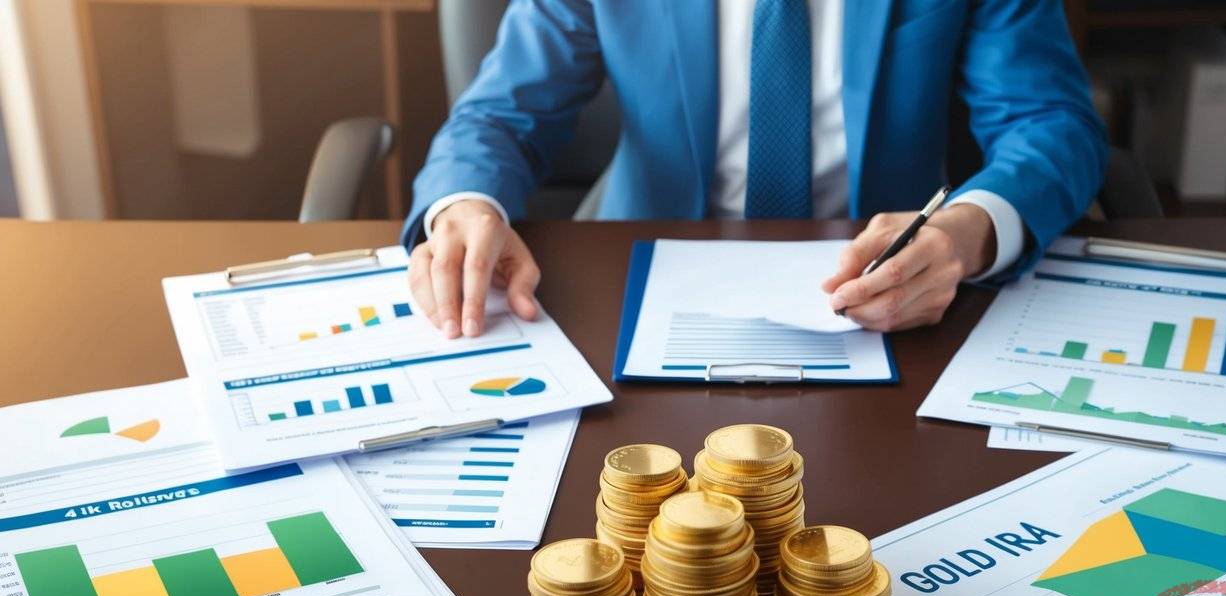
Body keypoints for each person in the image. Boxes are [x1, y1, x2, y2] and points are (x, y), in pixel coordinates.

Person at [402, 0, 1106, 339]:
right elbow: (498, 115)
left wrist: (970, 231)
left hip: (895, 296)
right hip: (637, 285)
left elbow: (1049, 123)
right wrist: (466, 204)